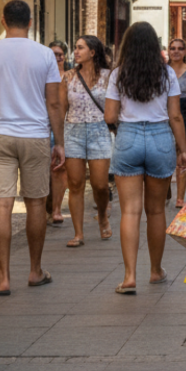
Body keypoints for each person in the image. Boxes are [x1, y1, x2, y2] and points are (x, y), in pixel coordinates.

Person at [0, 0, 65, 295]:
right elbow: (53, 102)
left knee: (2, 203)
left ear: (3, 21)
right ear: (30, 22)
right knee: (36, 202)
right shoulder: (44, 54)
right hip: (35, 135)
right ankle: (35, 270)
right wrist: (59, 141)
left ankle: (2, 278)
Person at [104, 22, 186, 294]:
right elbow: (176, 115)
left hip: (128, 136)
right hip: (160, 138)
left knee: (129, 210)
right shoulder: (167, 74)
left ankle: (129, 276)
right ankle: (156, 270)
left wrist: (126, 121)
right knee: (155, 211)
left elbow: (109, 116)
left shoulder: (118, 74)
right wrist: (184, 150)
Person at [59, 35, 112, 246]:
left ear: (93, 52)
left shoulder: (109, 77)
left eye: (81, 48)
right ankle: (78, 233)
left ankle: (102, 216)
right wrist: (58, 139)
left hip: (99, 130)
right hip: (73, 131)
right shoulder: (69, 77)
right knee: (75, 184)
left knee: (99, 185)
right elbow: (62, 108)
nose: (76, 52)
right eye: (75, 48)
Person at [168, 38, 186, 208]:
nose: (176, 51)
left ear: (185, 52)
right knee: (166, 155)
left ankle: (180, 197)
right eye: (173, 48)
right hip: (165, 115)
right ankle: (166, 190)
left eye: (180, 48)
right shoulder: (162, 71)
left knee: (182, 154)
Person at [47, 41, 71, 226]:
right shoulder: (43, 75)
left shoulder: (69, 77)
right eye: (54, 54)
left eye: (60, 54)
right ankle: (48, 206)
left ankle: (56, 209)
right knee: (46, 169)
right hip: (45, 125)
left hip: (65, 126)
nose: (58, 57)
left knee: (59, 168)